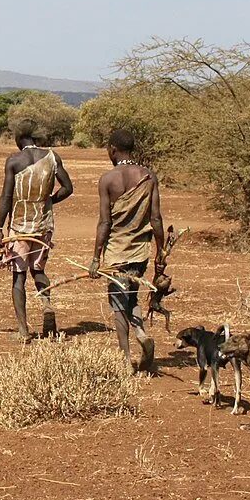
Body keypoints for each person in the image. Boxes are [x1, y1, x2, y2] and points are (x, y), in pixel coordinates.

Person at [89, 129, 166, 372]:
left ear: (112, 149)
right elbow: (156, 219)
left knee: (118, 304)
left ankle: (125, 359)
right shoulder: (148, 176)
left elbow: (105, 223)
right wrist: (160, 251)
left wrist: (95, 257)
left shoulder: (108, 180)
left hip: (116, 253)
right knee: (131, 295)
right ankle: (142, 334)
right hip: (140, 251)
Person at [0, 123, 74, 342]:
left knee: (18, 277)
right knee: (38, 270)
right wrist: (49, 202)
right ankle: (47, 305)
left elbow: (6, 198)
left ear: (19, 140)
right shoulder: (52, 157)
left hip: (19, 226)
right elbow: (68, 188)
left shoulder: (14, 161)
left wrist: (0, 230)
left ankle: (23, 331)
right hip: (44, 225)